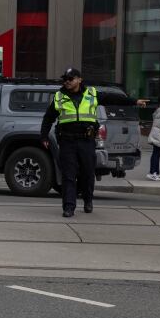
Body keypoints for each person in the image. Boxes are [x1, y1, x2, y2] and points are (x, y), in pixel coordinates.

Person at [41, 67, 148, 217]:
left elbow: (113, 98)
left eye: (70, 79)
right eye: (65, 79)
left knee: (87, 173)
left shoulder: (91, 94)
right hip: (67, 141)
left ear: (79, 79)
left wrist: (134, 101)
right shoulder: (59, 96)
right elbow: (48, 118)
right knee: (68, 175)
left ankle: (88, 200)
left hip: (86, 141)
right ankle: (69, 207)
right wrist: (44, 136)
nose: (67, 81)